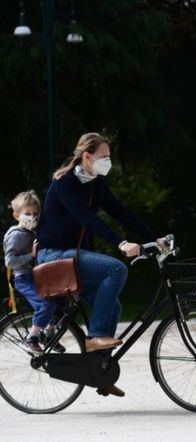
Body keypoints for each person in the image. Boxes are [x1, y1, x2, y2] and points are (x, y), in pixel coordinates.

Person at [36, 132, 162, 398]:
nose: (108, 161)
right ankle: (96, 338)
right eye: (104, 156)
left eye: (109, 156)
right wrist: (120, 243)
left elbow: (120, 211)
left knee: (113, 304)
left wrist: (155, 239)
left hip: (73, 255)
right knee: (116, 268)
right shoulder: (65, 183)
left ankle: (99, 372)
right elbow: (86, 218)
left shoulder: (95, 182)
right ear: (87, 157)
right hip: (54, 255)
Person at [3, 190, 66, 354]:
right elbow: (9, 261)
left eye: (35, 213)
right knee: (44, 305)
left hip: (37, 275)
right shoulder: (16, 236)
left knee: (61, 298)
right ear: (16, 215)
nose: (32, 217)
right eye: (27, 213)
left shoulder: (32, 232)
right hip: (23, 278)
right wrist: (30, 255)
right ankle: (31, 338)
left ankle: (48, 334)